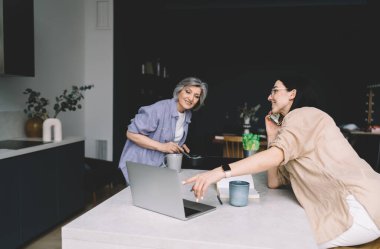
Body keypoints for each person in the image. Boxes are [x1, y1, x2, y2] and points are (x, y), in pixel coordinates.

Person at [184, 75, 380, 248]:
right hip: (361, 207)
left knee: (288, 239)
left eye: (275, 91)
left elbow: (275, 157)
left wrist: (219, 172)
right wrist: (273, 136)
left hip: (360, 209)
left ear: (292, 94)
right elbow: (274, 182)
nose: (270, 97)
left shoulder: (305, 114)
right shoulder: (294, 127)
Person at [119, 77, 208, 183]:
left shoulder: (187, 114)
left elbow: (167, 136)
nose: (191, 98)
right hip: (139, 166)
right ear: (179, 90)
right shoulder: (159, 109)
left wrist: (178, 144)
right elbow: (130, 133)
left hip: (158, 168)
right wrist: (163, 147)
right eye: (188, 92)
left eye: (196, 96)